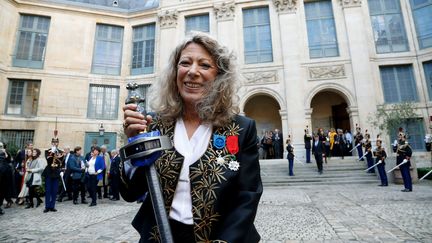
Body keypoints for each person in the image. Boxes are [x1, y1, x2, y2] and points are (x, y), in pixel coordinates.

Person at [120, 32, 263, 243]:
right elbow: (130, 192)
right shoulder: (153, 125)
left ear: (219, 76)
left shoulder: (241, 128)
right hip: (160, 236)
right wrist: (133, 145)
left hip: (221, 237)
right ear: (175, 72)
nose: (192, 71)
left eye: (204, 65)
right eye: (185, 63)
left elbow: (247, 195)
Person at [43, 137, 64, 213]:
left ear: (58, 143)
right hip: (49, 172)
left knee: (54, 190)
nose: (55, 143)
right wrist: (52, 151)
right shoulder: (47, 151)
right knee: (48, 190)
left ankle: (52, 206)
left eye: (56, 142)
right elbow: (48, 160)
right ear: (51, 143)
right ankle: (47, 206)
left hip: (56, 173)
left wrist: (61, 170)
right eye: (53, 142)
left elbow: (62, 163)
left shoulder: (61, 152)